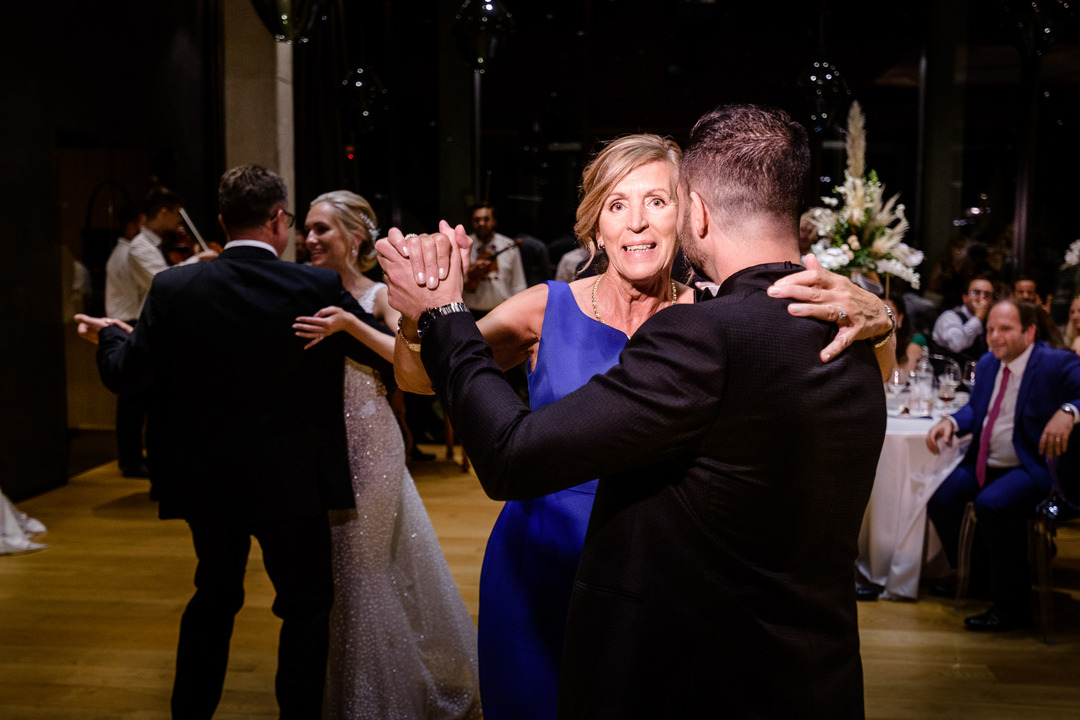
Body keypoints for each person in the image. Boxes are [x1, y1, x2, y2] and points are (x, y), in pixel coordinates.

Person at [380, 105, 896, 718]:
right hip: (540, 564)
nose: (637, 220)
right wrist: (424, 313)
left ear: (691, 214)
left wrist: (880, 318)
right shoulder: (547, 308)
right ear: (595, 226)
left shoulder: (712, 321)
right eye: (618, 204)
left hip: (655, 592)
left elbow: (840, 376)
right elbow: (422, 376)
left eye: (657, 200)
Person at [74, 165, 393, 719]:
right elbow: (373, 354)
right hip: (293, 481)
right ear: (277, 219)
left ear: (221, 221)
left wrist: (107, 336)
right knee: (305, 606)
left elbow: (128, 374)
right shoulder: (313, 285)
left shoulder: (175, 287)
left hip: (209, 481)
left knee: (214, 596)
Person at [290, 190, 481, 719]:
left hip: (370, 437)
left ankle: (377, 704)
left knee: (360, 569)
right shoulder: (300, 287)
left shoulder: (376, 295)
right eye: (305, 228)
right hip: (320, 447)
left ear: (354, 238)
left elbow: (409, 363)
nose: (308, 239)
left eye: (321, 229)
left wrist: (349, 325)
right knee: (338, 571)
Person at [926, 299, 1080, 631]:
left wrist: (1069, 411)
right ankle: (982, 579)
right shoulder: (987, 363)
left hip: (1034, 466)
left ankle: (1013, 608)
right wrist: (952, 422)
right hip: (988, 461)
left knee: (992, 505)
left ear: (1030, 331)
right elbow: (977, 409)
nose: (995, 337)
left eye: (1005, 329)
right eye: (991, 329)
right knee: (942, 501)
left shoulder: (1055, 363)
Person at [104, 206, 151, 478]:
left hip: (124, 322)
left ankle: (131, 457)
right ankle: (131, 459)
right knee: (133, 399)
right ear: (133, 225)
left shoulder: (122, 252)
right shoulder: (130, 252)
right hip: (127, 323)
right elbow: (157, 282)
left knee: (133, 399)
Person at [128, 186, 218, 313]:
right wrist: (198, 258)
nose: (180, 219)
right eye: (177, 213)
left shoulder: (162, 242)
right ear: (164, 213)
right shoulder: (139, 246)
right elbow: (163, 280)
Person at [462, 203, 526, 316]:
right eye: (477, 220)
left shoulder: (509, 246)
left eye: (486, 219)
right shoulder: (463, 245)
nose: (481, 223)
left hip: (501, 312)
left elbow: (518, 285)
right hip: (469, 312)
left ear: (494, 221)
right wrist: (471, 273)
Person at [931, 275, 993, 366]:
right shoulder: (949, 317)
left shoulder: (991, 322)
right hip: (947, 376)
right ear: (965, 297)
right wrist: (977, 318)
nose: (981, 298)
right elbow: (956, 345)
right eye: (975, 293)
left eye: (987, 295)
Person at [885, 293, 927, 377]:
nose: (884, 316)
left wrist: (888, 339)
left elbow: (902, 380)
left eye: (890, 312)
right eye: (880, 312)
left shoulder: (915, 340)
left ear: (900, 318)